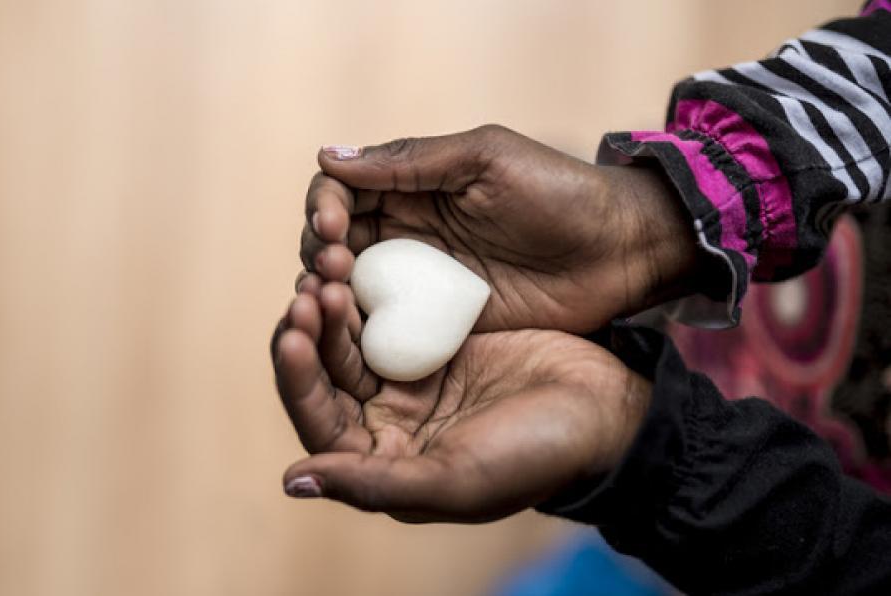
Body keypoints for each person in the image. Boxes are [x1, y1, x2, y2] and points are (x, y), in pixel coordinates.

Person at [272, 3, 891, 594]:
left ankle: (622, 349)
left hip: (752, 518)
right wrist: (659, 217)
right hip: (758, 309)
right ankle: (632, 294)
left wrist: (649, 453)